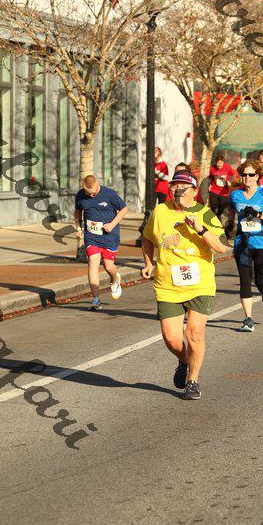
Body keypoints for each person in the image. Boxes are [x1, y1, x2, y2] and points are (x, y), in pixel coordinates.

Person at [141, 169, 228, 400]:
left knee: (194, 333)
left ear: (194, 191)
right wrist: (148, 263)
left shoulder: (205, 213)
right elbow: (147, 238)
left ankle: (193, 381)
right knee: (171, 338)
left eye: (183, 187)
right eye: (174, 186)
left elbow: (221, 247)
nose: (177, 190)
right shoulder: (160, 211)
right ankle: (184, 360)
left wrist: (200, 229)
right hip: (168, 285)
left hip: (200, 284)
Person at [227, 160, 263, 332]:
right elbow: (230, 214)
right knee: (245, 281)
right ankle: (248, 319)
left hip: (262, 243)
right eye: (244, 174)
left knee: (261, 280)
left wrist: (258, 214)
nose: (247, 177)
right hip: (242, 243)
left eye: (251, 174)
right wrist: (227, 227)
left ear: (257, 176)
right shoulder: (235, 195)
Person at [75, 175, 128, 310]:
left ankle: (115, 279)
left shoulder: (109, 194)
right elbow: (78, 211)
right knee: (93, 262)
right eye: (88, 194)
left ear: (97, 184)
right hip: (92, 236)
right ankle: (95, 300)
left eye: (93, 193)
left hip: (110, 236)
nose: (91, 196)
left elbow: (124, 209)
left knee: (108, 266)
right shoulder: (80, 195)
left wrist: (112, 224)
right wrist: (78, 228)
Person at [208, 154, 236, 223]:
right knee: (213, 207)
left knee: (222, 208)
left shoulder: (227, 167)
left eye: (221, 163)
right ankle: (214, 221)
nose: (219, 165)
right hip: (214, 190)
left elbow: (233, 174)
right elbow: (209, 177)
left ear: (223, 162)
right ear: (215, 162)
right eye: (218, 163)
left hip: (224, 192)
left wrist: (230, 181)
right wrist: (209, 184)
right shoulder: (212, 168)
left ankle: (218, 215)